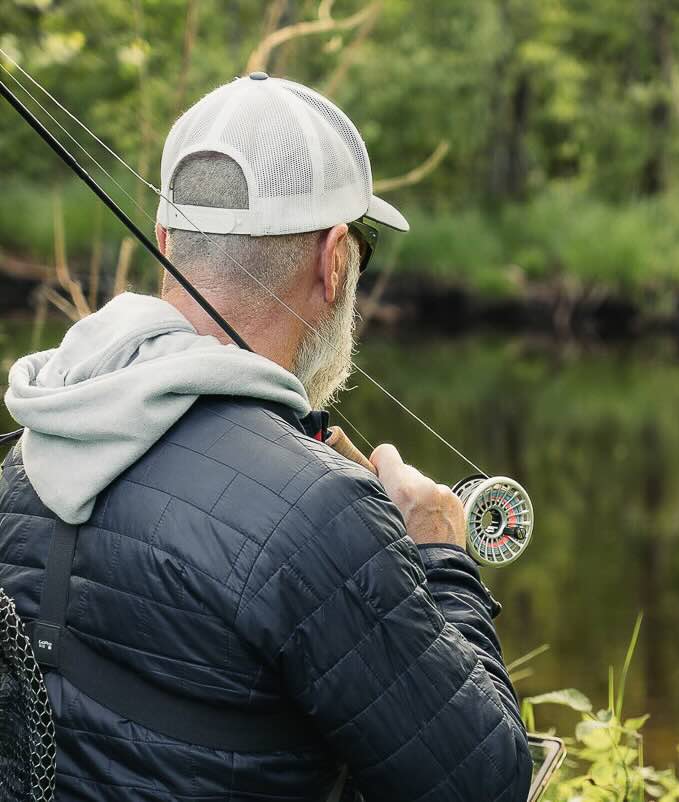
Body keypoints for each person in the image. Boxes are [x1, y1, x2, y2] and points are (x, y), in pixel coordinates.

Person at [0, 74, 532, 801]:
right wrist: (438, 552)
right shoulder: (326, 513)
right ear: (334, 257)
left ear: (165, 240)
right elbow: (488, 783)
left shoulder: (24, 459)